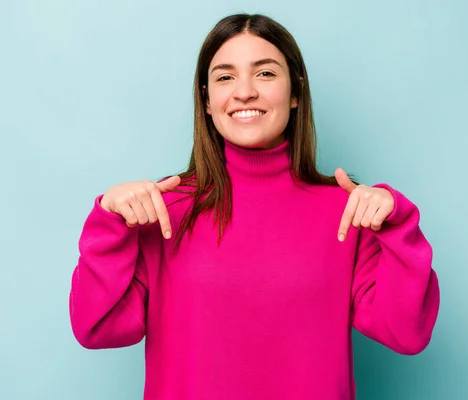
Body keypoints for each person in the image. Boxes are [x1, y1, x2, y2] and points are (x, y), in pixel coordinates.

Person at [69, 13, 440, 400]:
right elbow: (98, 328)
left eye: (265, 74)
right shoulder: (164, 211)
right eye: (225, 77)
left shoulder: (347, 213)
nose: (244, 91)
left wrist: (397, 221)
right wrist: (108, 223)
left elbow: (406, 333)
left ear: (295, 92)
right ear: (207, 101)